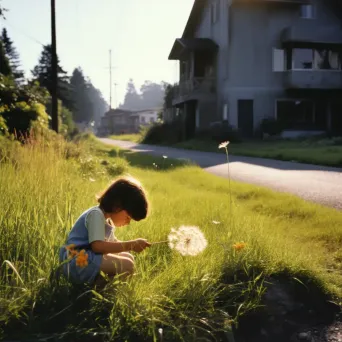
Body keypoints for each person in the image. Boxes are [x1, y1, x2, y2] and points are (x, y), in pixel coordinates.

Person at [59, 176, 151, 285]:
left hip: (85, 258)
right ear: (117, 206)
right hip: (75, 259)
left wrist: (131, 247)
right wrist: (130, 245)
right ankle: (109, 294)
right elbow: (98, 246)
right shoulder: (96, 215)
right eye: (128, 217)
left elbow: (111, 244)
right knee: (127, 265)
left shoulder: (107, 220)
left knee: (128, 257)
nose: (127, 222)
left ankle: (99, 288)